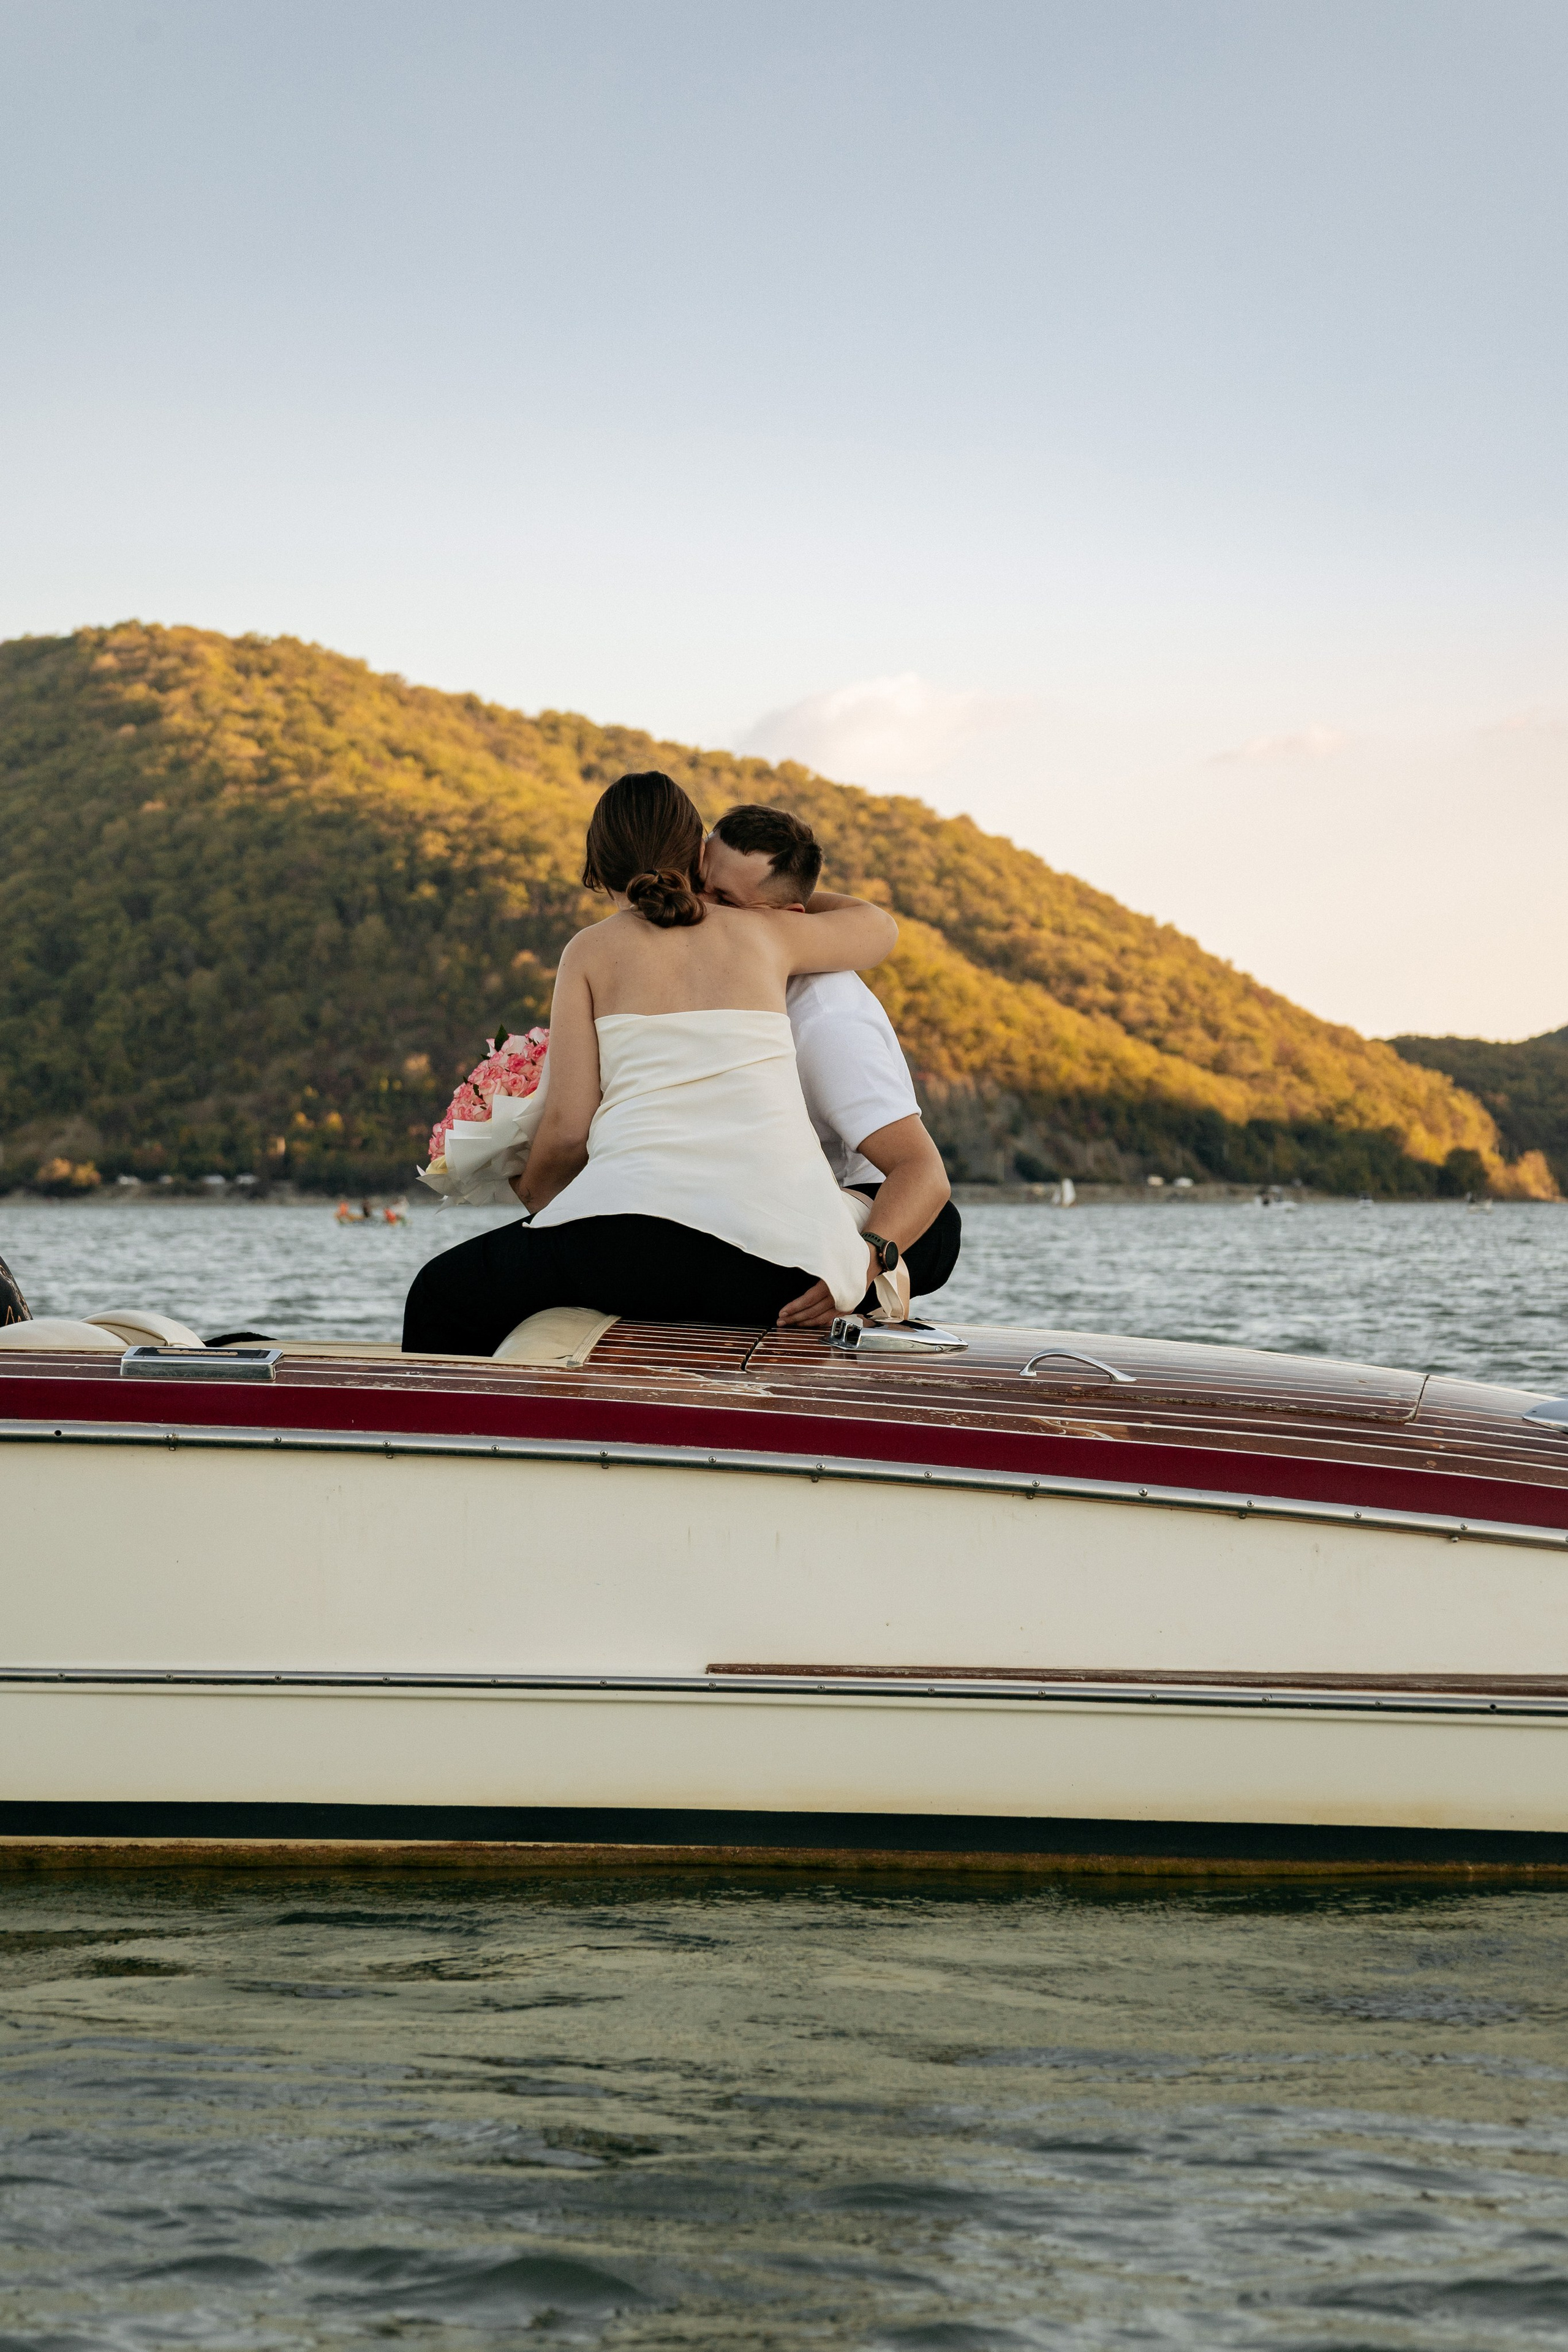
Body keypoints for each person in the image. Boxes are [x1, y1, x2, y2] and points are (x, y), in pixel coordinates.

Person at [401, 772, 898, 1357]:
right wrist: (771, 896)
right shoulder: (768, 932)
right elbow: (878, 927)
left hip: (633, 1248)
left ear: (595, 870)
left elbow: (567, 1131)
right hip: (782, 1261)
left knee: (441, 1294)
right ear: (697, 852)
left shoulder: (589, 951)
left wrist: (532, 1194)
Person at [701, 804, 960, 1325]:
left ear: (789, 920)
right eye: (699, 886)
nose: (700, 910)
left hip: (871, 1212)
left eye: (724, 900)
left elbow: (923, 1173)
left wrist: (859, 1265)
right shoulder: (725, 971)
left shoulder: (826, 1018)